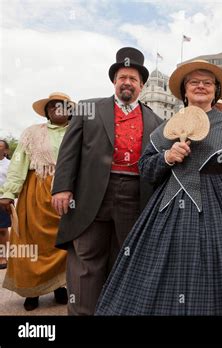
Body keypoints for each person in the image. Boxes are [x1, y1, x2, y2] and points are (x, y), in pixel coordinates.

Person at [96, 59, 222, 315]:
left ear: (216, 91)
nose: (201, 86)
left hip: (220, 202)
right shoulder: (167, 129)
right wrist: (167, 157)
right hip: (169, 202)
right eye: (194, 82)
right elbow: (146, 169)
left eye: (207, 83)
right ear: (184, 91)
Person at [51, 47, 162, 315]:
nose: (127, 82)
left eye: (133, 79)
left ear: (142, 85)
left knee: (127, 257)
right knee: (87, 257)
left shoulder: (157, 121)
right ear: (114, 81)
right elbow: (69, 152)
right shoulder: (88, 109)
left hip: (136, 195)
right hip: (90, 194)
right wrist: (63, 187)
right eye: (123, 77)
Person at [0, 92, 73, 311]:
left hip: (68, 193)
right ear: (46, 112)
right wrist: (9, 192)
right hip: (36, 192)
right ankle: (32, 292)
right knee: (32, 243)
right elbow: (19, 162)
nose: (54, 109)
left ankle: (60, 287)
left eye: (60, 106)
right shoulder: (32, 133)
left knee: (64, 243)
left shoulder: (78, 131)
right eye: (50, 107)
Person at [0, 140, 11, 269]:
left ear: (6, 151)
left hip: (2, 200)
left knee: (2, 229)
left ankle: (2, 256)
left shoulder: (10, 165)